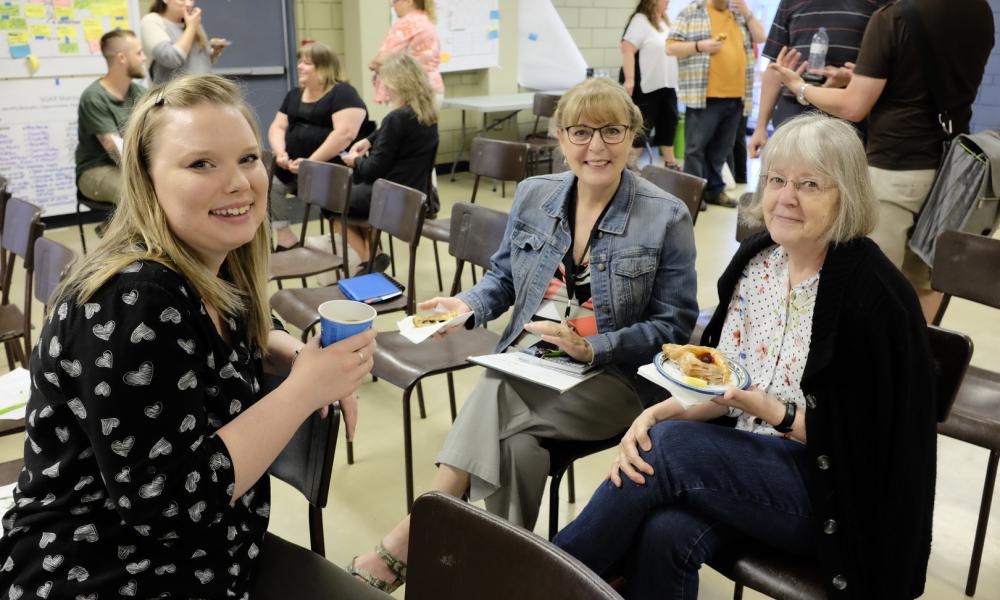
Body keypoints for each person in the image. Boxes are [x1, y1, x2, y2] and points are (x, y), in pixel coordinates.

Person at [0, 75, 386, 600]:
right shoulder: (131, 300)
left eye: (248, 159)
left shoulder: (212, 267)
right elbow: (165, 507)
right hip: (105, 567)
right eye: (201, 163)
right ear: (146, 180)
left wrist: (281, 346)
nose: (239, 183)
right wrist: (304, 391)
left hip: (209, 553)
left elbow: (199, 350)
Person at [554, 115, 938, 599]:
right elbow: (723, 382)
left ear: (847, 196)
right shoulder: (758, 264)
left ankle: (537, 580)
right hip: (747, 465)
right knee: (664, 529)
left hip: (832, 493)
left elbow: (872, 441)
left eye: (810, 184)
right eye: (776, 180)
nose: (786, 198)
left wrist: (770, 411)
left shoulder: (875, 297)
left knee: (672, 449)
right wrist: (655, 412)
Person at [348, 76, 699, 594]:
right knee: (520, 443)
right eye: (580, 132)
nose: (596, 147)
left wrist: (593, 345)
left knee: (495, 388)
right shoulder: (536, 195)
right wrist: (464, 306)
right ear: (559, 137)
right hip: (534, 363)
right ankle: (506, 572)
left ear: (633, 136)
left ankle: (414, 536)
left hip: (615, 379)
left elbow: (673, 327)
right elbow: (505, 278)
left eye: (611, 131)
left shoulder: (664, 216)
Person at [769, 0, 994, 321]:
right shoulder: (979, 11)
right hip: (951, 167)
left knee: (872, 283)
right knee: (927, 277)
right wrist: (865, 76)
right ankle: (916, 358)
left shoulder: (892, 17)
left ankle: (877, 365)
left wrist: (800, 87)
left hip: (895, 166)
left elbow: (853, 106)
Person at [747, 0, 884, 158]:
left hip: (846, 110)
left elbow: (887, 64)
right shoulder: (789, 3)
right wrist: (760, 127)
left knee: (839, 177)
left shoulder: (878, 5)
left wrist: (853, 79)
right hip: (793, 110)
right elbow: (774, 68)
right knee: (789, 175)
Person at [341, 53, 438, 273]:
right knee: (354, 202)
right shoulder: (427, 115)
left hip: (390, 196)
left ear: (397, 83)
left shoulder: (395, 118)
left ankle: (372, 259)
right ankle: (373, 258)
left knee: (333, 203)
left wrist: (355, 161)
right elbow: (392, 132)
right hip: (416, 194)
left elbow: (373, 170)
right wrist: (369, 140)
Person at [267, 42, 369, 251]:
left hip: (330, 169)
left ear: (324, 67)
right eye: (300, 61)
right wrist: (280, 153)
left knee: (333, 206)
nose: (299, 66)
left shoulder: (343, 93)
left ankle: (368, 255)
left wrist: (311, 163)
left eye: (307, 63)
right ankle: (286, 237)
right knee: (267, 183)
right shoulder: (294, 94)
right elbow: (277, 126)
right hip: (292, 168)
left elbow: (344, 134)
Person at [667, 0, 765, 207]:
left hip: (737, 96)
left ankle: (714, 191)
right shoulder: (691, 12)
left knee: (721, 149)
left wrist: (747, 12)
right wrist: (699, 46)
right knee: (695, 148)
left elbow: (761, 37)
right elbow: (671, 47)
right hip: (705, 96)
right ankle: (693, 194)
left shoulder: (739, 15)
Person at [75, 30, 147, 205]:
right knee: (138, 197)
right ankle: (118, 231)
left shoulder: (139, 93)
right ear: (122, 58)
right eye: (138, 53)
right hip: (97, 170)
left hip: (130, 167)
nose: (144, 57)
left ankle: (113, 229)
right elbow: (114, 148)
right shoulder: (94, 97)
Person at [621, 0, 681, 169]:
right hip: (645, 84)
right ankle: (630, 167)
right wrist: (629, 80)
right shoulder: (640, 20)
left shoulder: (664, 22)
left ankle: (670, 163)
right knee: (643, 125)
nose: (669, 1)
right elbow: (627, 49)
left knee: (670, 121)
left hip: (667, 83)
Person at [371, 0, 445, 105]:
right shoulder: (426, 20)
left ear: (409, 1)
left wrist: (372, 64)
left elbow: (383, 59)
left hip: (410, 94)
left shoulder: (406, 24)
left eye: (395, 1)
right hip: (433, 89)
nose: (392, 5)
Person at [140, 0, 226, 84]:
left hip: (204, 90)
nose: (188, 4)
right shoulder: (152, 20)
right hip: (175, 95)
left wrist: (213, 52)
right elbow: (172, 58)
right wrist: (191, 27)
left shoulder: (191, 21)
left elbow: (198, 61)